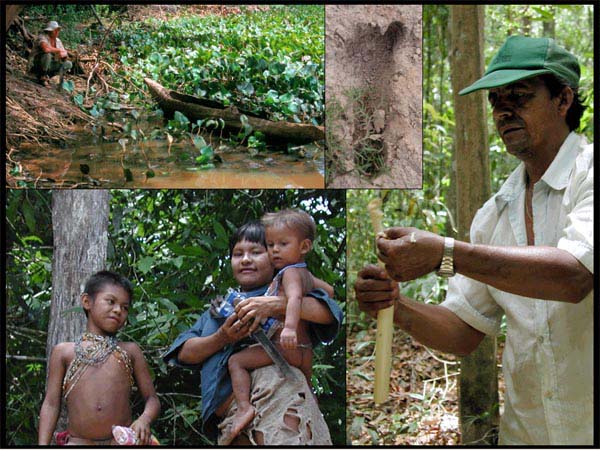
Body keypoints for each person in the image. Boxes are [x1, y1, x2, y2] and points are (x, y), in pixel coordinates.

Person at [354, 35, 592, 445]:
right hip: (527, 433)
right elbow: (464, 330)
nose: (503, 111)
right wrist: (396, 306)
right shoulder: (496, 214)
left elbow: (573, 277)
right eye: (496, 101)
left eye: (519, 96)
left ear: (563, 99)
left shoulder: (589, 174)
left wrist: (445, 252)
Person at [163, 221, 343, 445]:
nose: (246, 259)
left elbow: (328, 312)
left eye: (256, 252)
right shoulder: (217, 309)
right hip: (231, 419)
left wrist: (273, 305)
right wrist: (224, 337)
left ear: (274, 257)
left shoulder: (288, 287)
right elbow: (184, 354)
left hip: (278, 393)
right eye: (238, 254)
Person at [224, 209, 321, 444]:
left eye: (282, 244)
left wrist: (288, 326)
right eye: (271, 245)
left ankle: (245, 407)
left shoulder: (288, 274)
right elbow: (328, 292)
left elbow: (295, 299)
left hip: (283, 345)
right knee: (305, 387)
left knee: (235, 361)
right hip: (303, 352)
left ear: (304, 246)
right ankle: (313, 402)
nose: (276, 250)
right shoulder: (305, 273)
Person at [38, 271, 161, 445]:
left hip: (120, 441)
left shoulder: (130, 351)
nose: (118, 310)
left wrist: (144, 420)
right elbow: (51, 404)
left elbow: (152, 399)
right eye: (111, 302)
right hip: (79, 442)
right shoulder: (64, 352)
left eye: (125, 307)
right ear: (87, 302)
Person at [28, 21, 72, 86]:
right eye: (55, 30)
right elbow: (46, 49)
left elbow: (64, 54)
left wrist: (63, 55)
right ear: (49, 31)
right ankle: (42, 76)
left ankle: (49, 76)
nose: (57, 32)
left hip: (50, 64)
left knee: (68, 64)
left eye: (58, 30)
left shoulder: (58, 41)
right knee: (47, 55)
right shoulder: (42, 37)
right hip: (36, 64)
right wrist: (58, 50)